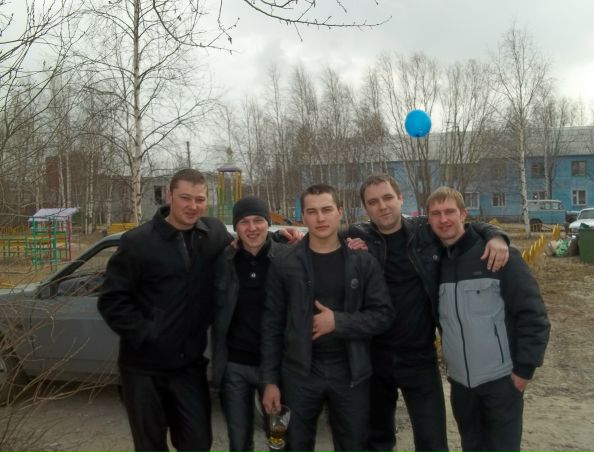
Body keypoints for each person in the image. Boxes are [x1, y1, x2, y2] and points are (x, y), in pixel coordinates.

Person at [345, 174, 510, 452]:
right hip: (374, 358)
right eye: (373, 202)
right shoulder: (358, 236)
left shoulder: (425, 231)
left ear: (401, 199)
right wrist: (283, 235)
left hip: (420, 357)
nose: (382, 206)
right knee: (376, 441)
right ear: (365, 208)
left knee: (432, 442)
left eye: (387, 197)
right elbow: (316, 238)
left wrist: (496, 236)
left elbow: (465, 226)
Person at [98, 169, 233, 452]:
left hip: (188, 368)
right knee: (150, 446)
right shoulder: (138, 242)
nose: (193, 206)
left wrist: (285, 238)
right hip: (143, 370)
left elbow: (248, 241)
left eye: (200, 199)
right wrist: (149, 333)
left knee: (198, 443)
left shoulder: (213, 234)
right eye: (185, 198)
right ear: (169, 196)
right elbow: (112, 300)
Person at [261, 183, 394, 452]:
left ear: (339, 212)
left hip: (350, 370)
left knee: (353, 444)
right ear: (303, 216)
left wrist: (338, 322)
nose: (320, 218)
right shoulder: (285, 263)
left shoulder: (362, 261)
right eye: (312, 212)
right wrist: (270, 381)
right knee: (295, 444)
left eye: (327, 210)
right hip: (299, 372)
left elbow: (384, 315)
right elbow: (272, 325)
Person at [426, 186, 550, 452]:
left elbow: (533, 314)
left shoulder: (498, 255)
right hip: (461, 386)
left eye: (449, 211)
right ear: (429, 220)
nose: (443, 219)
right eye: (436, 214)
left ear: (463, 214)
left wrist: (524, 371)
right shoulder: (436, 262)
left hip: (501, 383)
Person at [212, 195, 288, 452]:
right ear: (236, 227)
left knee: (279, 440)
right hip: (235, 368)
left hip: (278, 369)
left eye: (258, 220)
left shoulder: (288, 259)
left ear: (268, 223)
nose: (252, 228)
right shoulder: (224, 261)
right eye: (244, 222)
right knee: (239, 441)